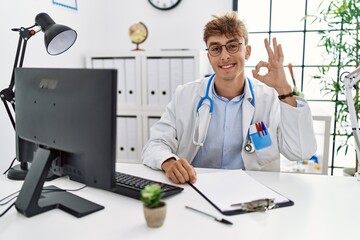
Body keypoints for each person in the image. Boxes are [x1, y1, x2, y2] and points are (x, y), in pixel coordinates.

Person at [142, 11, 317, 184]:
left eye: (233, 46)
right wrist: (169, 162)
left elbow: (301, 152)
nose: (225, 56)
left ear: (247, 51)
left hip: (254, 191)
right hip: (197, 187)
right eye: (216, 48)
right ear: (209, 56)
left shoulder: (270, 98)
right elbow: (155, 143)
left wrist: (284, 88)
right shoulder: (185, 96)